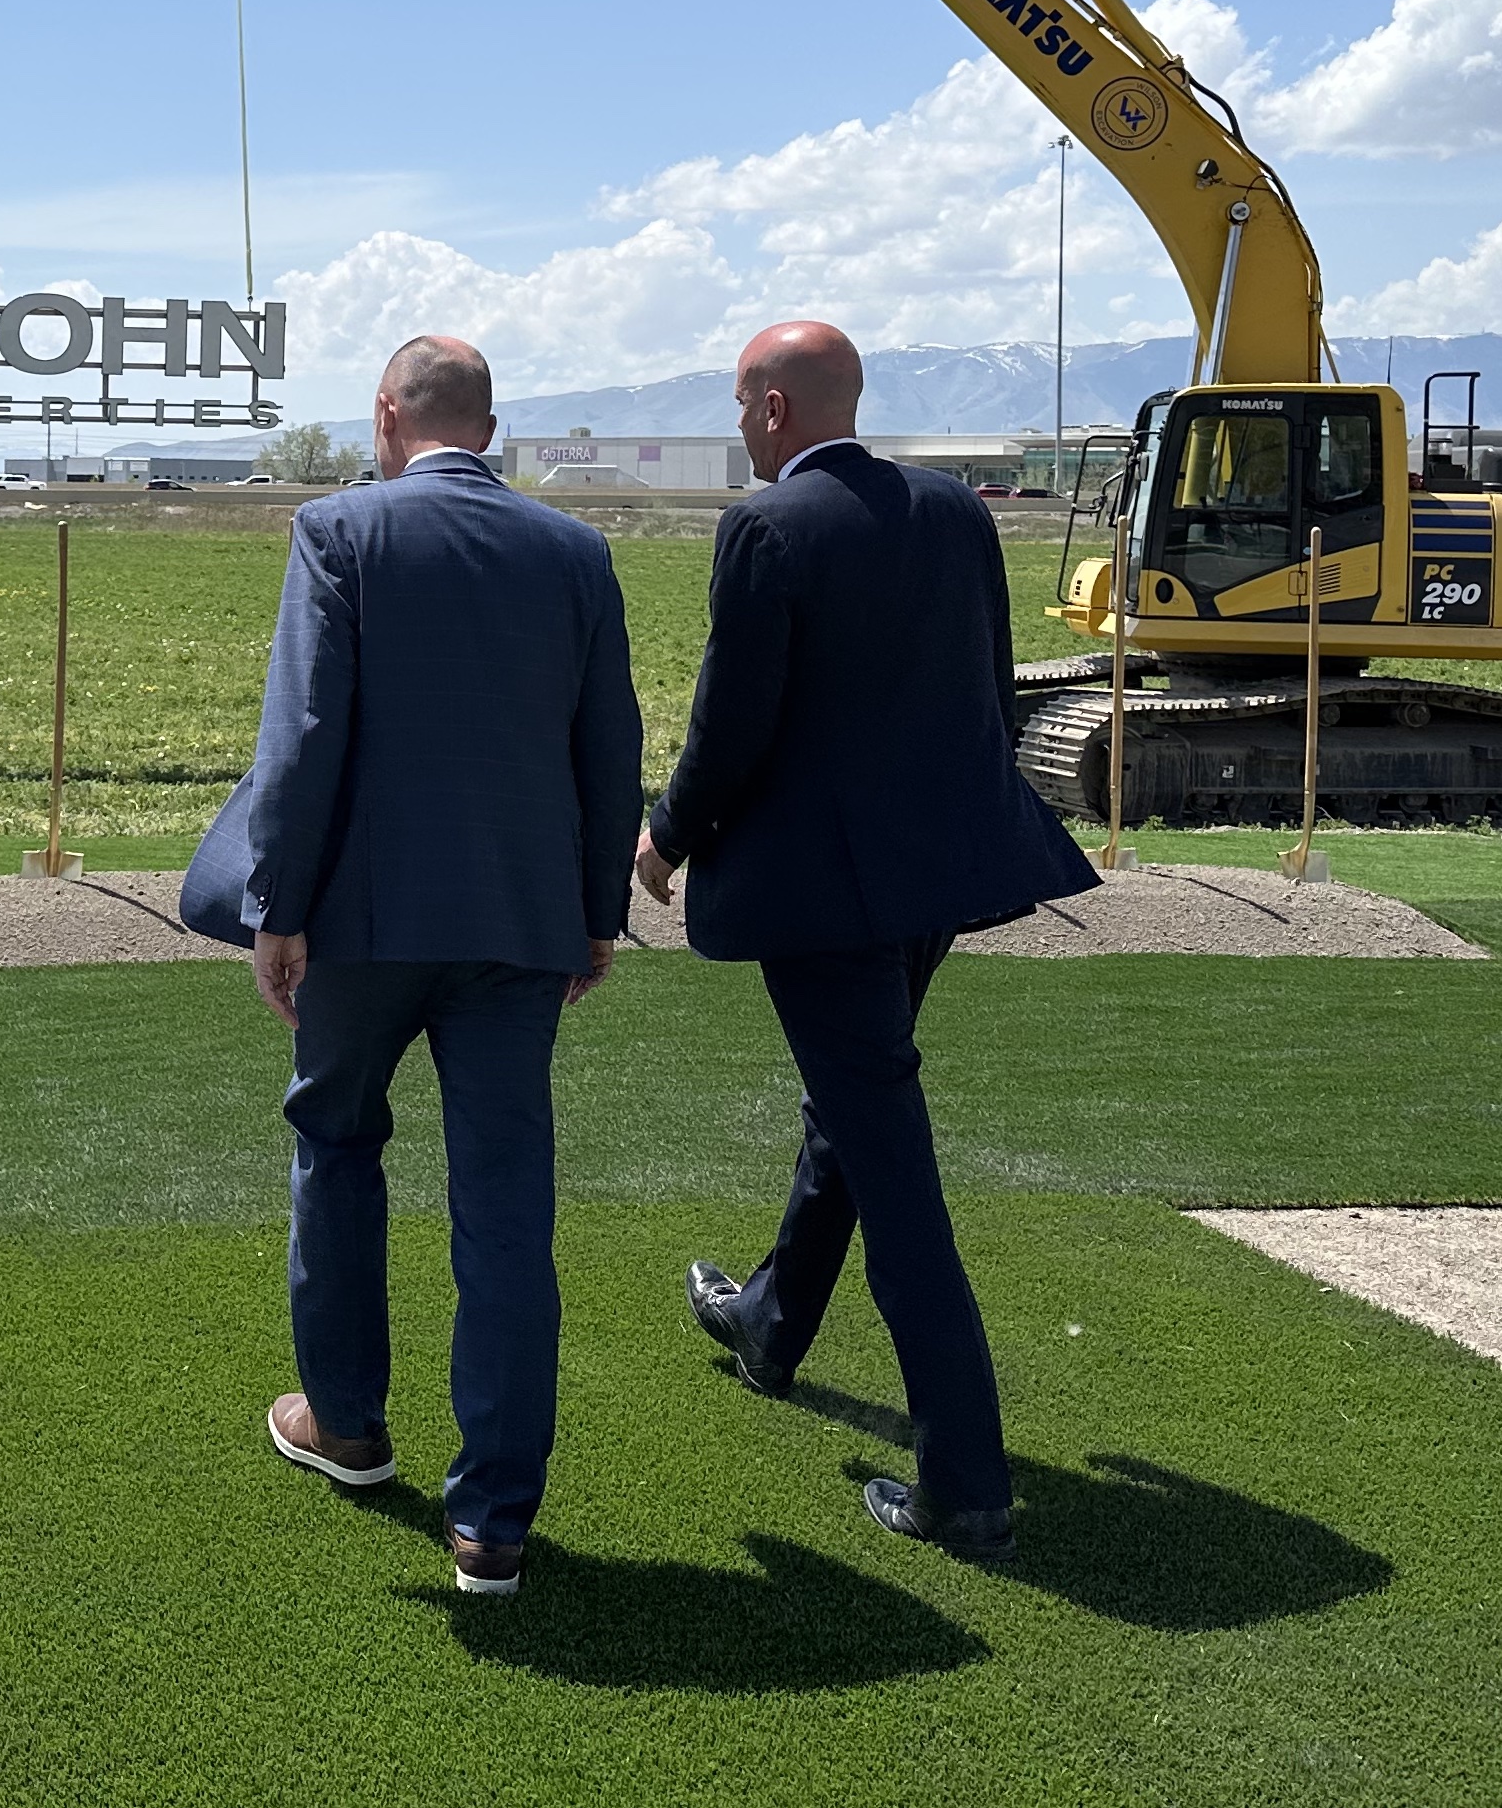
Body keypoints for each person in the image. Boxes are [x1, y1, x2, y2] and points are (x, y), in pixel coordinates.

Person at [635, 319, 1094, 1558]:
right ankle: (772, 1327)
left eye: (740, 403)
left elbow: (734, 720)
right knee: (854, 1106)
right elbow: (991, 691)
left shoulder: (767, 528)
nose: (738, 424)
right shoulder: (954, 512)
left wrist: (667, 834)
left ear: (774, 410)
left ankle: (968, 1483)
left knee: (892, 1163)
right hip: (938, 876)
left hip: (826, 894)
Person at [201, 333, 641, 1596]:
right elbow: (610, 743)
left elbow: (304, 734)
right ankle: (494, 1521)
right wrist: (595, 912)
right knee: (507, 1206)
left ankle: (346, 1425)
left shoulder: (340, 533)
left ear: (386, 416)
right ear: (488, 426)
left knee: (336, 1141)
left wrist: (276, 906)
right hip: (519, 925)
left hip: (364, 923)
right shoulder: (576, 553)